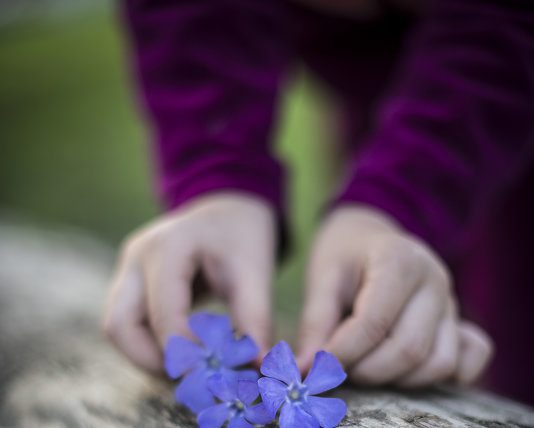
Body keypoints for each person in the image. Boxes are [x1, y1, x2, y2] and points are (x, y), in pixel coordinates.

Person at [104, 0, 534, 405]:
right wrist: (217, 178)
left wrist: (396, 200)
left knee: (514, 330)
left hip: (507, 92)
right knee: (384, 307)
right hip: (367, 91)